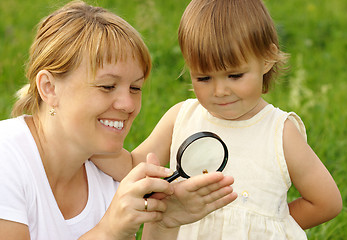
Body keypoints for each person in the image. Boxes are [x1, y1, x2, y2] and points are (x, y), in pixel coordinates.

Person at [93, 0, 343, 239]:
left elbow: (326, 202)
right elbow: (132, 166)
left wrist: (272, 226)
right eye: (203, 78)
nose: (220, 91)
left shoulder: (280, 132)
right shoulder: (181, 118)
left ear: (266, 59)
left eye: (234, 76)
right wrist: (86, 141)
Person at [0, 1, 238, 239]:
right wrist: (108, 231)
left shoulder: (106, 178)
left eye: (135, 88)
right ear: (49, 88)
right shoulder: (6, 157)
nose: (128, 104)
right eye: (107, 86)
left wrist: (166, 222)